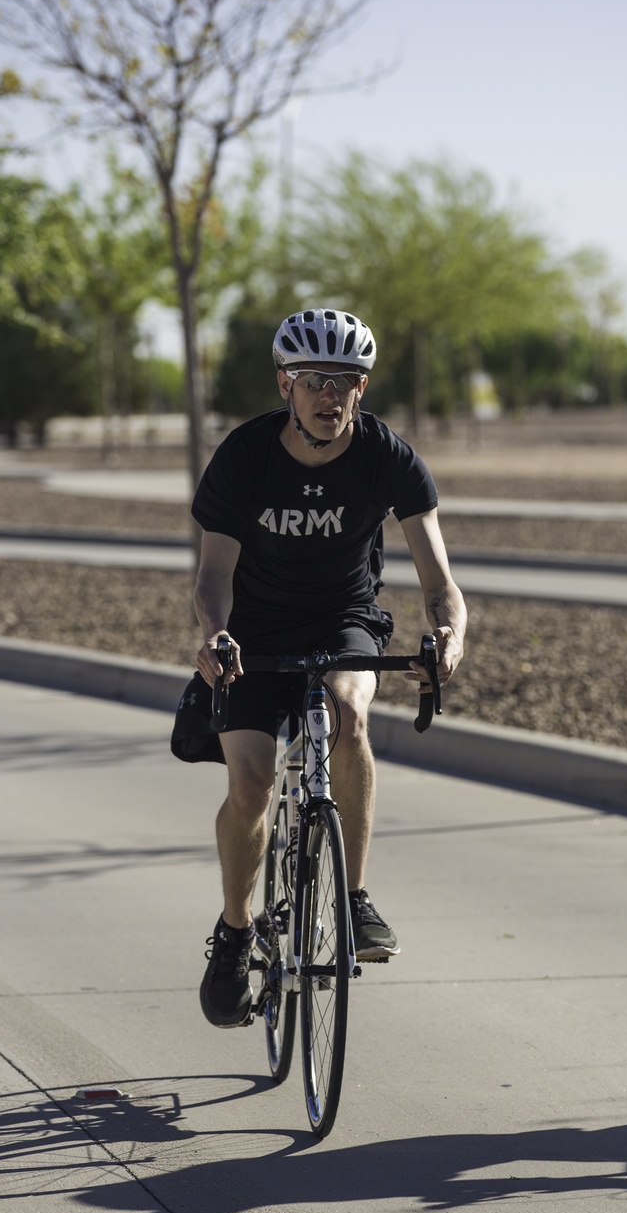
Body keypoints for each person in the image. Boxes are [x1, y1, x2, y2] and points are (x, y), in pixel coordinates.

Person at [174, 307, 466, 1028]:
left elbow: (439, 580)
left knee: (350, 713)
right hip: (253, 629)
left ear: (361, 388)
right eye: (313, 381)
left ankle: (354, 898)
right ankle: (236, 933)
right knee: (250, 783)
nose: (329, 395)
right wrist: (214, 637)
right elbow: (212, 577)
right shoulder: (244, 457)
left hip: (345, 618)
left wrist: (450, 632)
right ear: (286, 384)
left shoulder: (387, 456)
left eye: (344, 381)